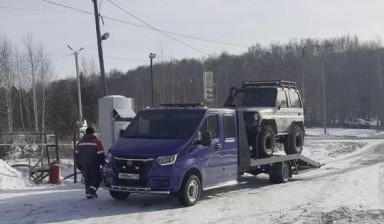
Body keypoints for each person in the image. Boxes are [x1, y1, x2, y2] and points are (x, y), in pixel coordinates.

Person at [75, 127, 106, 199]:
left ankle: (88, 194)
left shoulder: (80, 142)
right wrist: (103, 163)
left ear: (86, 132)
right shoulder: (97, 141)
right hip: (94, 163)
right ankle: (92, 189)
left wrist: (78, 164)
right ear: (93, 133)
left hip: (83, 164)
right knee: (98, 178)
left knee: (87, 178)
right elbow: (101, 153)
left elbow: (76, 154)